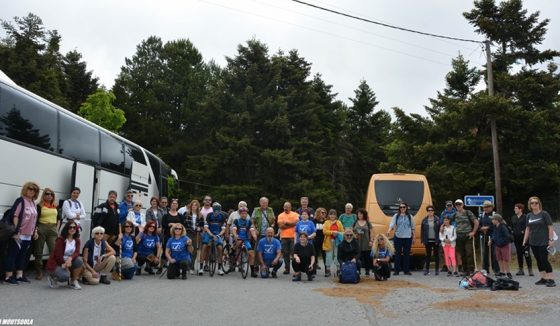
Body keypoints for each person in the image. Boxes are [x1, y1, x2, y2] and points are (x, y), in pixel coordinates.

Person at [3, 182, 39, 285]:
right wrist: (16, 231)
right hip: (19, 233)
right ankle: (8, 277)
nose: (32, 191)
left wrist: (35, 231)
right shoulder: (21, 201)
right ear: (25, 189)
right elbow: (15, 216)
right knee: (12, 254)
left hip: (28, 234)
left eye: (34, 190)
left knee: (22, 255)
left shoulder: (33, 203)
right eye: (30, 189)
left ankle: (19, 275)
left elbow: (34, 219)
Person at [523, 196, 556, 287]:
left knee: (544, 259)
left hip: (543, 242)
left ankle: (551, 279)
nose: (534, 204)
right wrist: (525, 240)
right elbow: (527, 229)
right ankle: (543, 278)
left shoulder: (544, 214)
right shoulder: (529, 215)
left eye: (536, 203)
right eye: (532, 203)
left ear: (539, 204)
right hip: (533, 242)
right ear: (530, 205)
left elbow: (550, 227)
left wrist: (551, 239)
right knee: (538, 260)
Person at [45, 221, 83, 289]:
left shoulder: (77, 240)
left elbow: (77, 252)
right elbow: (58, 255)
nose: (72, 229)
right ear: (66, 228)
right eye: (70, 227)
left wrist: (70, 258)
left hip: (68, 261)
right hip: (57, 262)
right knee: (65, 276)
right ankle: (52, 277)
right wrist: (64, 264)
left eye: (74, 227)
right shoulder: (61, 239)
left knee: (79, 261)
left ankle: (73, 281)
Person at [34, 187, 61, 280]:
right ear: (43, 195)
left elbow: (59, 219)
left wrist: (57, 229)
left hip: (52, 229)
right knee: (39, 251)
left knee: (53, 251)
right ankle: (39, 271)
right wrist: (36, 230)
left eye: (51, 194)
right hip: (42, 227)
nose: (49, 196)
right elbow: (36, 219)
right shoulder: (39, 206)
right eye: (47, 194)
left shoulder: (56, 206)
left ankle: (52, 270)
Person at [386, 202, 415, 275]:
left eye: (404, 207)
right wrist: (389, 231)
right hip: (398, 236)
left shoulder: (410, 216)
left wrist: (413, 237)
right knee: (397, 254)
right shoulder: (396, 216)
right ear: (399, 208)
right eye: (401, 207)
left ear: (406, 208)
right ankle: (397, 270)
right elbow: (392, 224)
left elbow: (413, 228)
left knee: (406, 254)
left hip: (408, 237)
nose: (402, 208)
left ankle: (406, 270)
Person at [452, 199, 479, 276]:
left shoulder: (468, 212)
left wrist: (473, 232)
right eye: (456, 205)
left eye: (459, 204)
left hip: (468, 235)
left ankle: (471, 269)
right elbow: (446, 220)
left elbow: (476, 222)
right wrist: (442, 226)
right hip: (459, 236)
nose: (458, 206)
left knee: (469, 252)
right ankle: (465, 270)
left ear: (462, 205)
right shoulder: (455, 214)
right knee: (462, 254)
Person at [200, 202, 226, 275]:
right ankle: (201, 267)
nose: (216, 211)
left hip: (218, 234)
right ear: (213, 209)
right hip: (209, 233)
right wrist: (211, 234)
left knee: (220, 248)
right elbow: (206, 227)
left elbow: (223, 229)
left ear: (220, 210)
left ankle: (220, 268)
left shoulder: (222, 216)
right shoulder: (209, 215)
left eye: (218, 209)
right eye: (215, 209)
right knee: (204, 246)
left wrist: (218, 235)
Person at [159, 198, 184, 274]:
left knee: (177, 251)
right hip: (168, 235)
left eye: (176, 204)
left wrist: (173, 224)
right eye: (173, 203)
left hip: (178, 237)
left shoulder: (180, 216)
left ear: (178, 205)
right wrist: (169, 224)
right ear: (170, 205)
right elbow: (163, 225)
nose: (174, 205)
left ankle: (176, 267)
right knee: (165, 251)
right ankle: (160, 267)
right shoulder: (166, 216)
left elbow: (182, 225)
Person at [232, 207, 258, 277]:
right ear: (240, 214)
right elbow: (234, 229)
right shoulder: (236, 221)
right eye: (242, 213)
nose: (244, 215)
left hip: (246, 239)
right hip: (238, 238)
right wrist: (235, 235)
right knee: (239, 242)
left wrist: (254, 236)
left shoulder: (249, 221)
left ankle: (252, 271)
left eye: (245, 213)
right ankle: (233, 253)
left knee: (251, 254)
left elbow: (252, 230)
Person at [182, 199, 204, 275]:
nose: (194, 206)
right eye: (193, 205)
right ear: (190, 206)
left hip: (196, 234)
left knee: (194, 250)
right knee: (188, 248)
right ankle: (186, 265)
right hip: (188, 233)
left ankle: (191, 266)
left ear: (198, 206)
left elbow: (202, 226)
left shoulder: (200, 215)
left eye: (196, 205)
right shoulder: (186, 214)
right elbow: (183, 224)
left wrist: (200, 229)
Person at [277, 201, 299, 275]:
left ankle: (296, 269)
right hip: (284, 237)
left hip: (293, 237)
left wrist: (286, 223)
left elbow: (297, 223)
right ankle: (287, 268)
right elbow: (281, 226)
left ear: (290, 207)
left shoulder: (295, 214)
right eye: (284, 207)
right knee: (285, 254)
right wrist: (292, 224)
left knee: (294, 253)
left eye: (287, 207)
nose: (286, 208)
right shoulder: (280, 215)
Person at [511, 203, 533, 276]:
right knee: (519, 254)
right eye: (514, 208)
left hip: (525, 238)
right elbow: (512, 227)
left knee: (526, 253)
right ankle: (521, 270)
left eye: (516, 208)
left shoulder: (526, 217)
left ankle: (530, 270)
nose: (514, 209)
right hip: (516, 239)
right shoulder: (513, 217)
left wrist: (524, 231)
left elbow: (529, 227)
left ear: (520, 209)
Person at [488, 214, 512, 279]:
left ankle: (508, 272)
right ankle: (502, 272)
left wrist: (502, 242)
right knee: (499, 259)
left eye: (493, 219)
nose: (492, 221)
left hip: (504, 245)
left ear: (497, 220)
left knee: (505, 259)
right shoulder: (495, 226)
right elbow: (494, 235)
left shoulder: (503, 227)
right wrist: (491, 240)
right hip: (497, 245)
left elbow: (507, 236)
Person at [479, 200, 499, 275]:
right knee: (485, 253)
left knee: (494, 253)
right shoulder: (481, 215)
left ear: (491, 207)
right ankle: (485, 269)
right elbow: (478, 224)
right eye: (484, 207)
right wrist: (481, 228)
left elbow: (497, 224)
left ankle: (496, 270)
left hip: (494, 235)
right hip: (484, 235)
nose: (485, 208)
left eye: (487, 207)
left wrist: (488, 227)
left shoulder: (495, 214)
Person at [323, 209, 343, 277]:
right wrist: (332, 232)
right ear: (329, 215)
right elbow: (324, 231)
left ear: (336, 215)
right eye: (331, 214)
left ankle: (338, 269)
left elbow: (342, 232)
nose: (332, 216)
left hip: (337, 241)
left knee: (337, 255)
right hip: (329, 241)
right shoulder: (326, 222)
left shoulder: (339, 222)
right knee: (329, 255)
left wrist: (337, 233)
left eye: (334, 214)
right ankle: (328, 270)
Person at [421, 205, 440, 276]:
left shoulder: (437, 219)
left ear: (433, 211)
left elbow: (440, 230)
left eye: (431, 210)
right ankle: (427, 270)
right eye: (429, 210)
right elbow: (422, 231)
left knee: (436, 255)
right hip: (427, 240)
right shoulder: (424, 220)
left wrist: (439, 240)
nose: (430, 212)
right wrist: (422, 240)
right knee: (428, 255)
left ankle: (437, 270)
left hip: (436, 240)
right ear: (427, 211)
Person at [353, 209, 373, 276]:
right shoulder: (355, 222)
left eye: (361, 214)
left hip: (366, 243)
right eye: (358, 214)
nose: (359, 215)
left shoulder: (367, 222)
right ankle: (358, 271)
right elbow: (351, 231)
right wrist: (354, 235)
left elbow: (371, 232)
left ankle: (367, 271)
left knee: (367, 258)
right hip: (357, 243)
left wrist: (371, 241)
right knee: (358, 258)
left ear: (364, 214)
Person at [439, 200, 456, 272]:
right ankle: (448, 268)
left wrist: (453, 227)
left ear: (452, 205)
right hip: (444, 240)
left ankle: (455, 268)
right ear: (446, 206)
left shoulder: (455, 211)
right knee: (446, 255)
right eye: (448, 205)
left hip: (452, 236)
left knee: (453, 255)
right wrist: (442, 227)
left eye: (450, 205)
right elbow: (441, 221)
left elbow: (455, 221)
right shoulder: (443, 213)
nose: (449, 207)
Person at [313, 207, 327, 273]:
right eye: (322, 212)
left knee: (325, 255)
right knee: (315, 255)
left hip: (324, 240)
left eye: (324, 213)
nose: (323, 214)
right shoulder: (314, 221)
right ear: (318, 213)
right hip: (316, 240)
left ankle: (327, 270)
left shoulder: (326, 221)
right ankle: (314, 269)